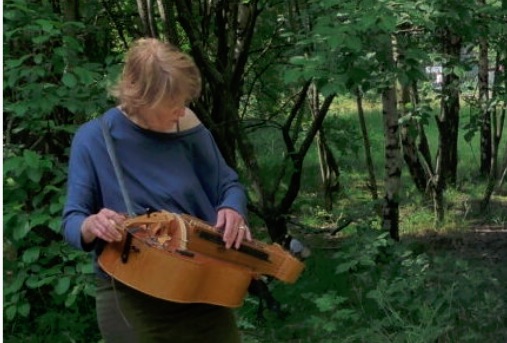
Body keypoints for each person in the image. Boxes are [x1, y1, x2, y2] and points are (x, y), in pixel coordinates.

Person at [62, 38, 252, 342]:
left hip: (201, 285)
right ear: (139, 98)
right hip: (134, 296)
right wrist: (90, 224)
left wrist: (231, 208)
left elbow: (227, 185)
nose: (181, 112)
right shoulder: (94, 139)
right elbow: (72, 221)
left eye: (184, 103)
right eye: (173, 105)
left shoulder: (188, 127)